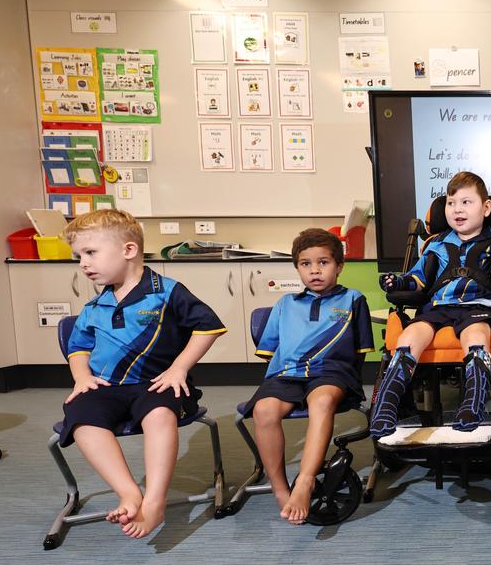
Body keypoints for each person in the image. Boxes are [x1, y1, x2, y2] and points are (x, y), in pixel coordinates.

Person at [59, 209, 226, 538]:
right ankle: (129, 492)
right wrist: (81, 376)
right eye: (79, 256)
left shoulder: (167, 291)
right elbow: (78, 346)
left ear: (129, 250)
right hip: (107, 387)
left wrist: (179, 368)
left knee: (160, 414)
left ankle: (154, 502)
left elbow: (209, 327)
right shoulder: (95, 306)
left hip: (157, 383)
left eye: (90, 253)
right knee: (80, 418)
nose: (83, 263)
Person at [369, 171, 491, 437]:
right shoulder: (437, 246)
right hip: (439, 308)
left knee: (475, 334)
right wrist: (399, 284)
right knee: (409, 336)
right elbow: (418, 279)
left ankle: (473, 404)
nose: (457, 209)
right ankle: (386, 407)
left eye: (466, 202)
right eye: (451, 203)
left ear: (486, 207)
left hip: (480, 307)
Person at [246, 228, 375, 524]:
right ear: (297, 268)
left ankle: (304, 481)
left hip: (331, 373)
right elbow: (269, 353)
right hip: (287, 373)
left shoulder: (354, 300)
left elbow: (360, 352)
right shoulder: (284, 305)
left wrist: (350, 386)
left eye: (324, 262)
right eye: (306, 264)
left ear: (339, 266)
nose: (314, 270)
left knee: (322, 400)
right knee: (264, 410)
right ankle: (280, 489)